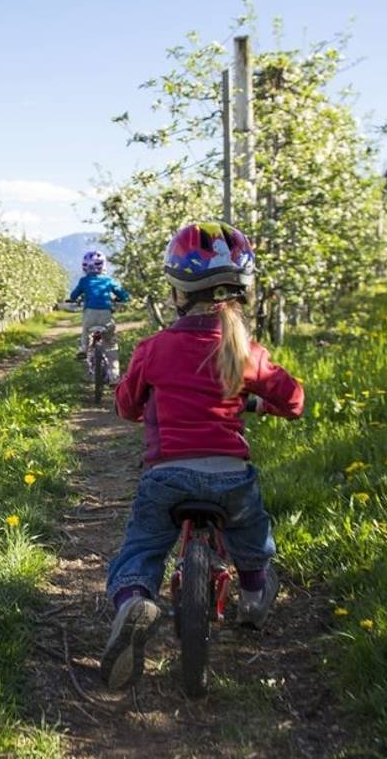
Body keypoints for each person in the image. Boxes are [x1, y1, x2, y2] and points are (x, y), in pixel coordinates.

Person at [98, 222, 303, 691]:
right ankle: (253, 596)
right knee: (253, 542)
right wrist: (260, 401)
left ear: (177, 293)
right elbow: (294, 400)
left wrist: (143, 401)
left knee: (143, 547)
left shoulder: (153, 349)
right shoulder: (244, 351)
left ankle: (132, 600)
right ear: (239, 295)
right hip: (231, 479)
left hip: (166, 476)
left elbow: (127, 406)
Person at [67, 250, 131, 381]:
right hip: (106, 315)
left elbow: (73, 295)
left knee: (85, 331)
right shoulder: (108, 280)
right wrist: (124, 298)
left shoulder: (84, 281)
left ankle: (84, 349)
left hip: (90, 314)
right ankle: (114, 377)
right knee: (111, 344)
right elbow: (122, 294)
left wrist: (73, 299)